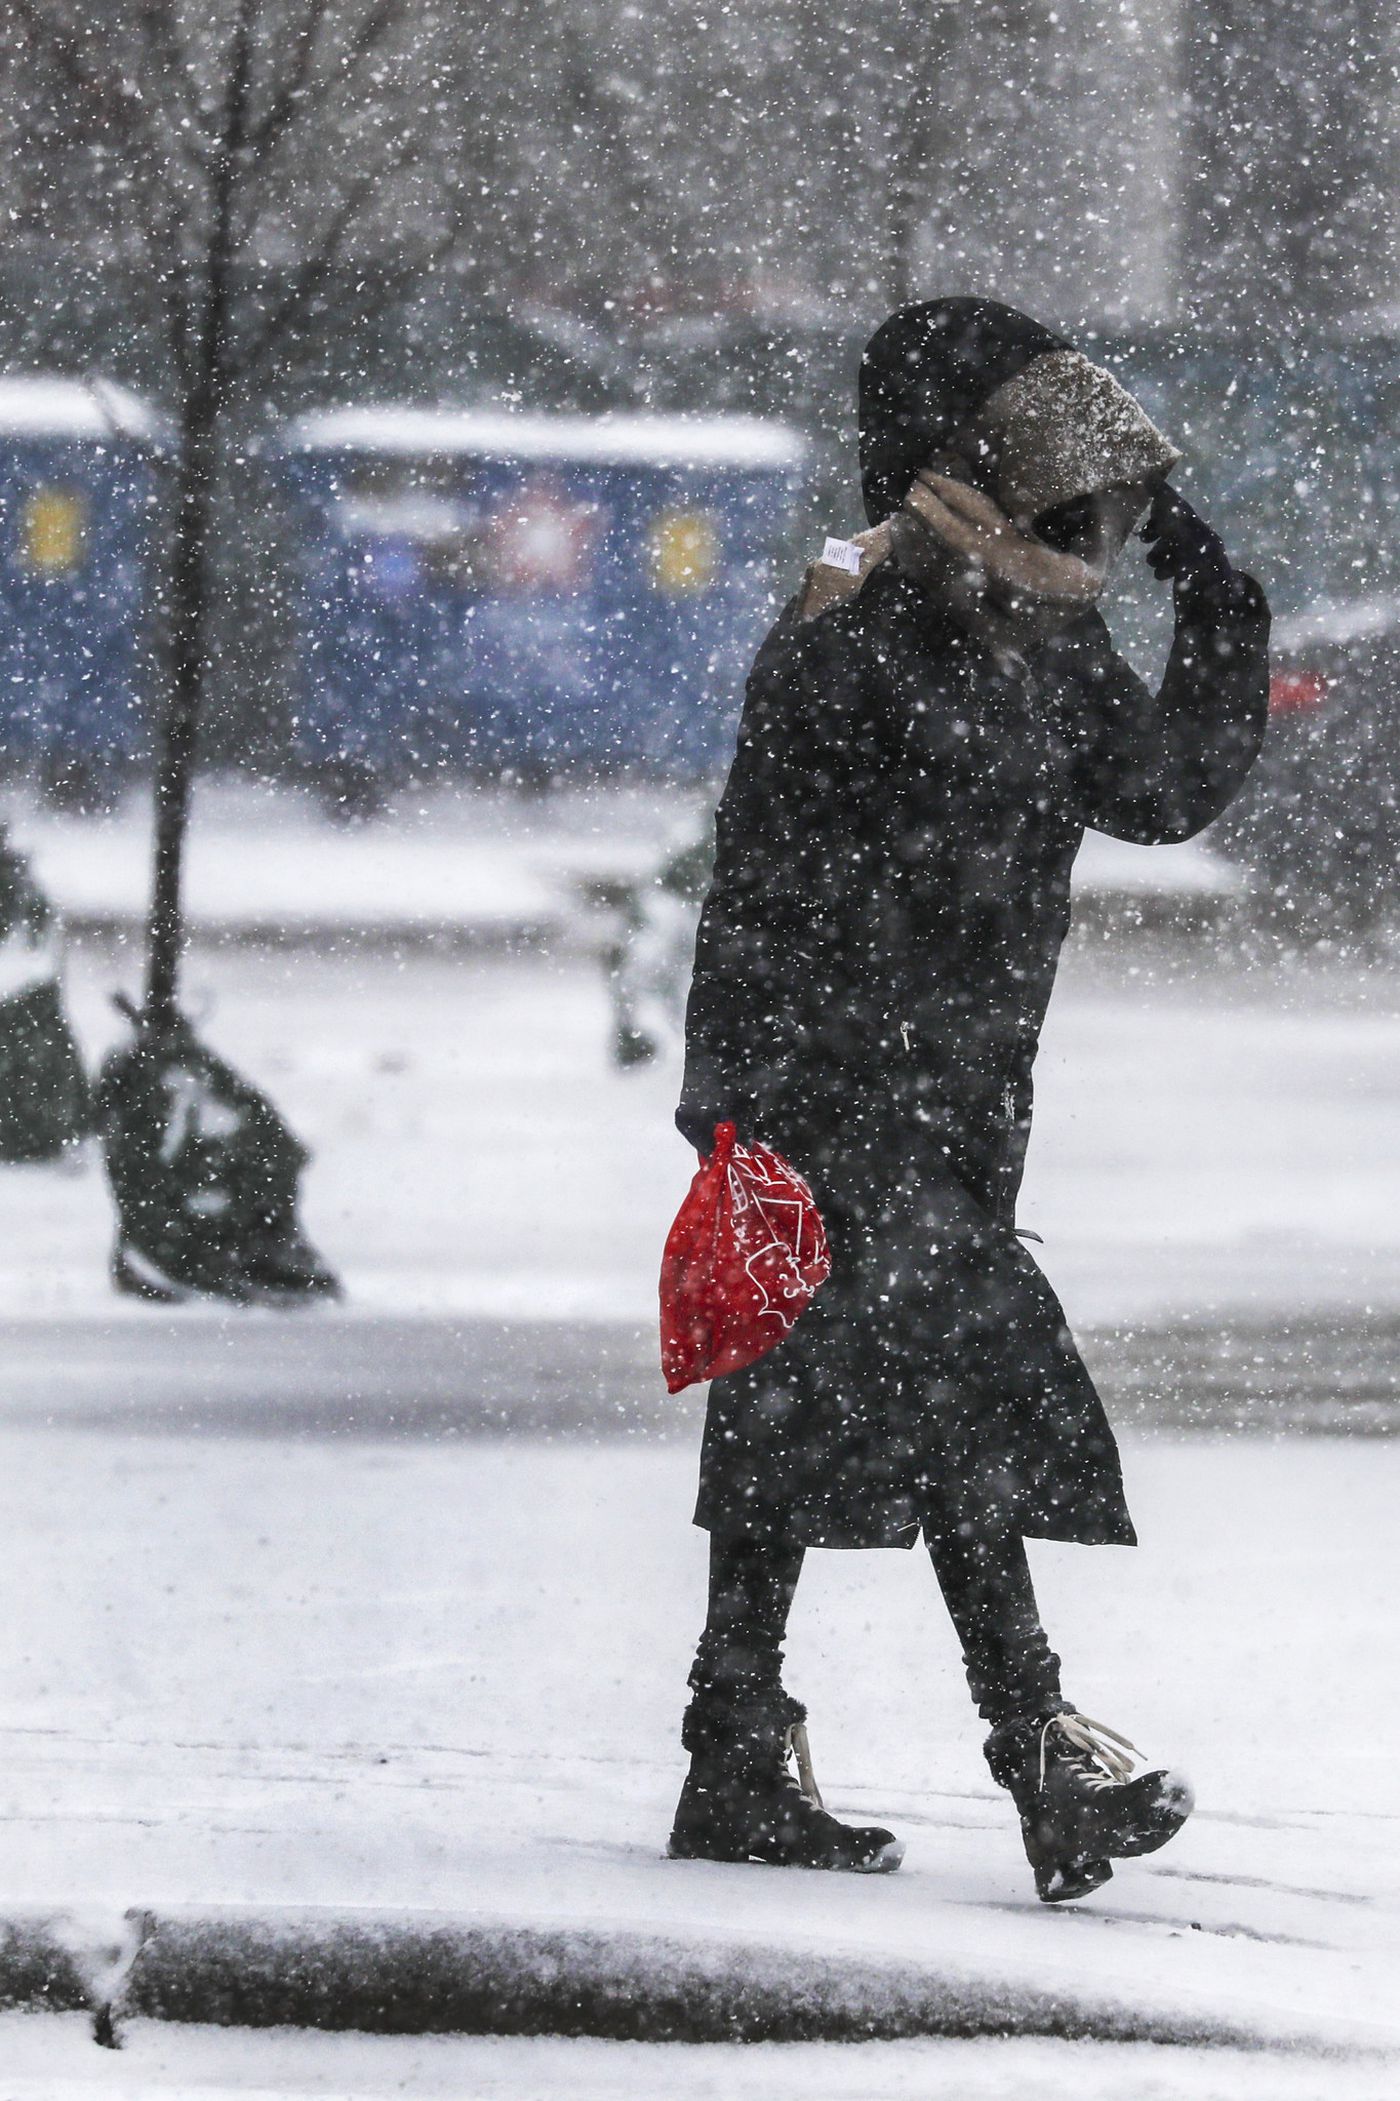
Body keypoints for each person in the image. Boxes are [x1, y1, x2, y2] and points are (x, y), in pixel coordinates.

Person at [667, 299, 1270, 1903]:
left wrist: (1217, 608)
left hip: (956, 1108)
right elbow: (761, 884)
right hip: (838, 1103)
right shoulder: (855, 634)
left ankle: (734, 1742)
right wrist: (736, 1108)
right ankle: (1040, 1750)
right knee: (959, 1407)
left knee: (802, 1412)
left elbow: (1151, 791)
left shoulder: (1047, 636)